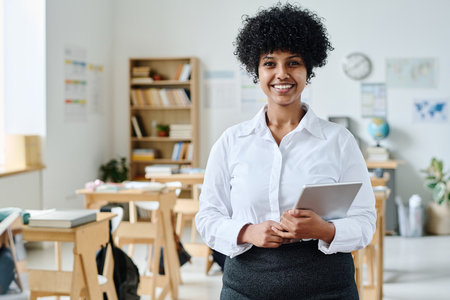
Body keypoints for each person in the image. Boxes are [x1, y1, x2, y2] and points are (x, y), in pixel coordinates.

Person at [195, 3, 376, 299]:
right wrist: (247, 232)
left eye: (293, 62)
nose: (282, 74)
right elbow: (208, 218)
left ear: (308, 70)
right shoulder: (231, 141)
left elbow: (366, 221)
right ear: (256, 70)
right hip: (246, 287)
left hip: (328, 287)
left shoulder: (339, 141)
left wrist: (325, 230)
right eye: (270, 63)